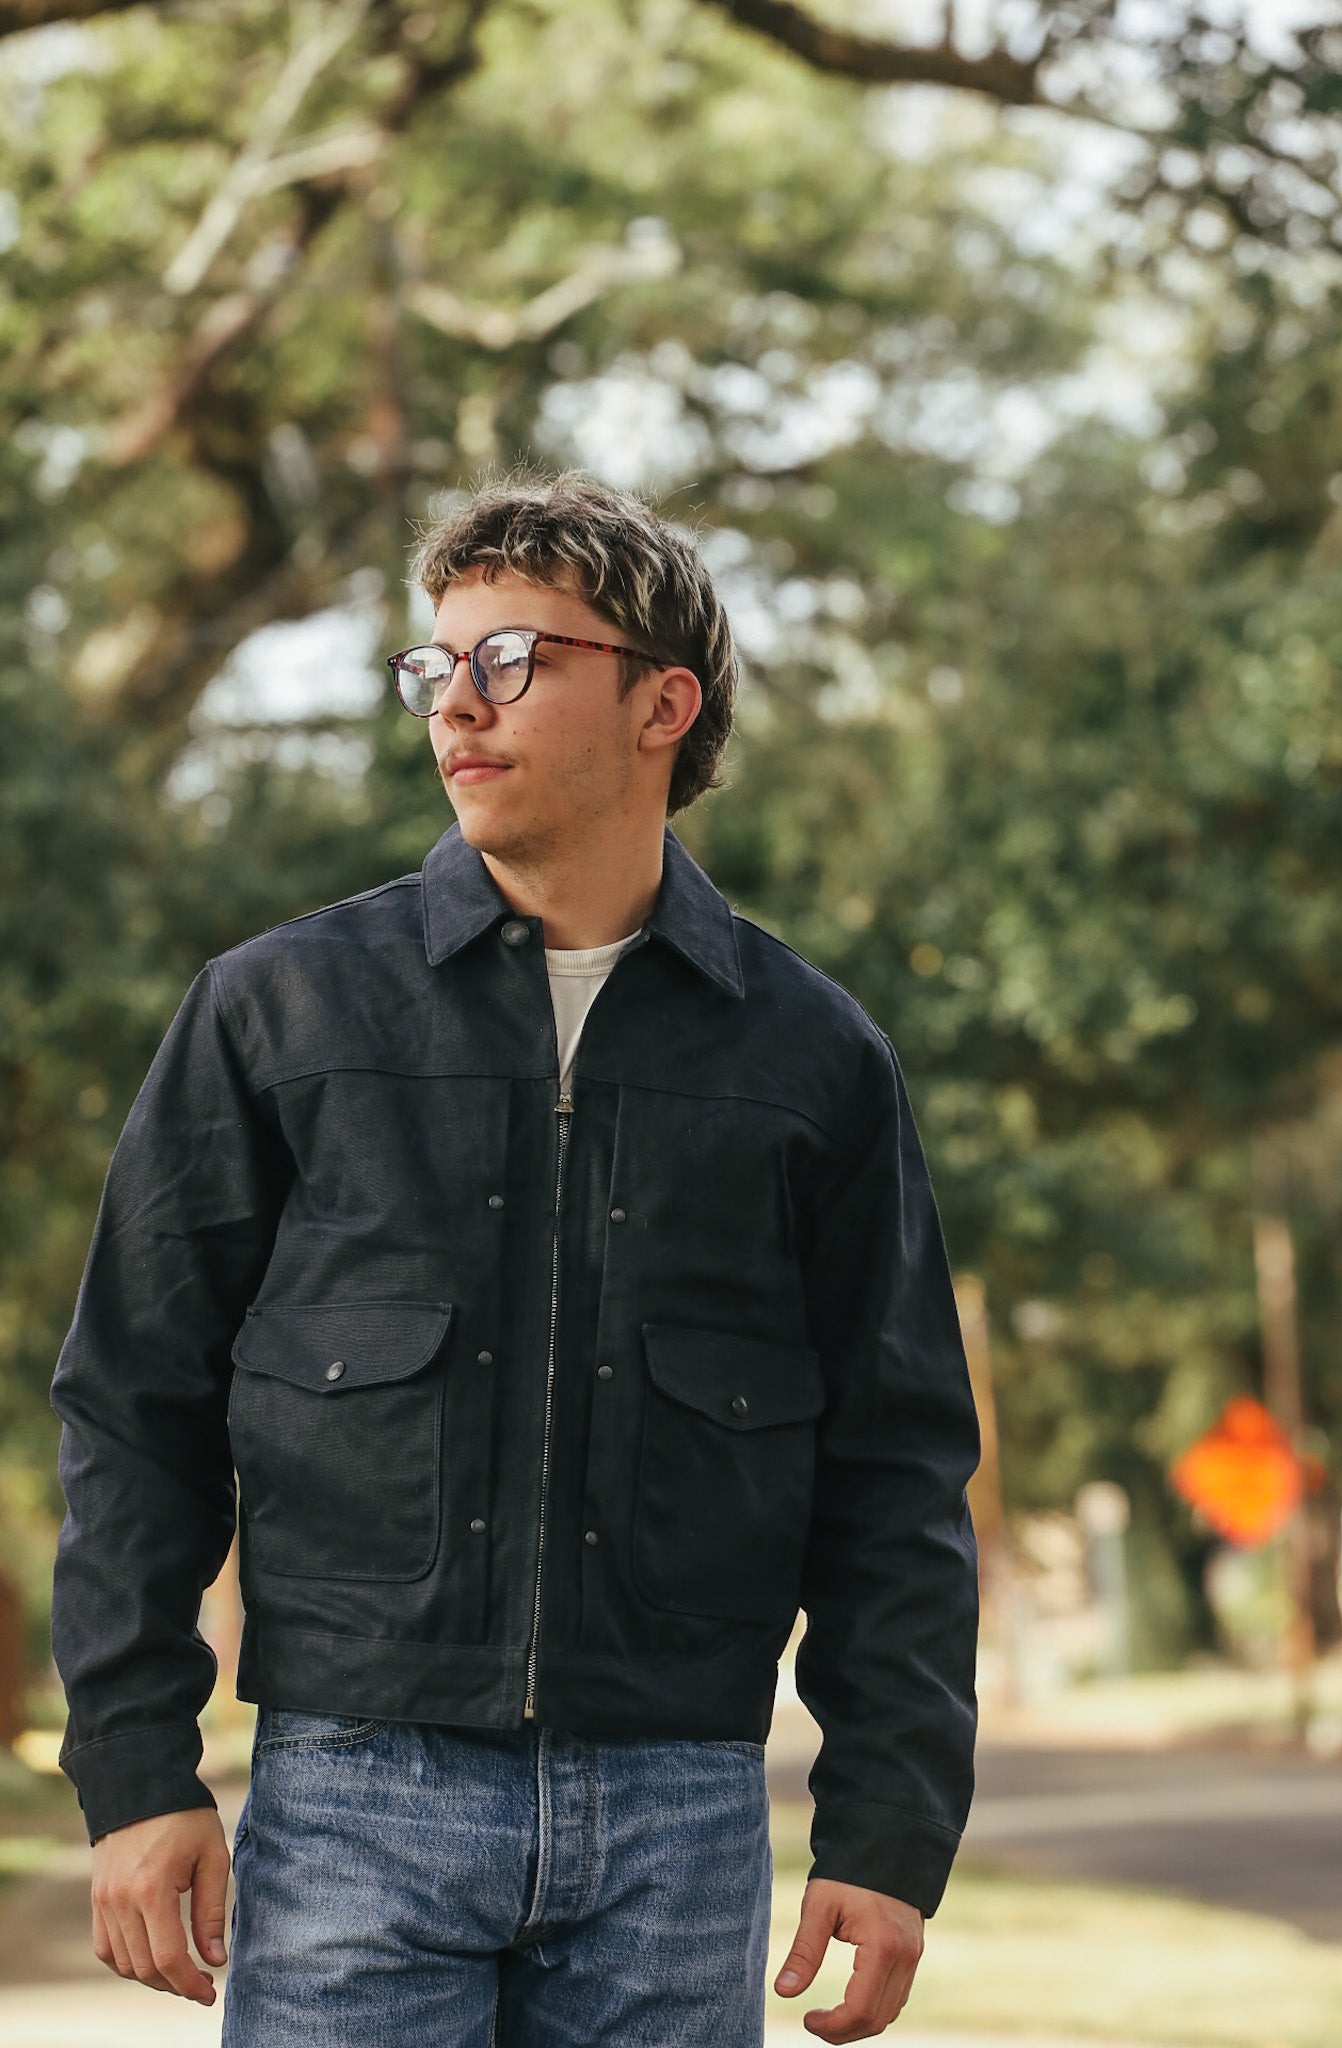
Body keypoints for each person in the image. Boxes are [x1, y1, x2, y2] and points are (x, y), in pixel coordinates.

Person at [49, 462, 981, 2046]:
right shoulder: (280, 1014)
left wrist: (888, 1828)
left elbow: (895, 1467)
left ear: (661, 704)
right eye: (436, 664)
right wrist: (139, 1769)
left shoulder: (813, 1058)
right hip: (353, 1800)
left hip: (678, 1817)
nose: (454, 707)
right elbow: (135, 1403)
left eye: (512, 661)